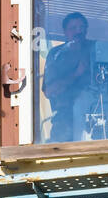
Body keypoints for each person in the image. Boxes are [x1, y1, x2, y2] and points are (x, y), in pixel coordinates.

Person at [41, 12, 98, 142]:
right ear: (65, 32)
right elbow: (49, 91)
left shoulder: (96, 49)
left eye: (82, 27)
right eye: (73, 28)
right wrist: (76, 74)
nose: (78, 31)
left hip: (95, 119)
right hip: (65, 121)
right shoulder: (57, 54)